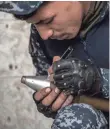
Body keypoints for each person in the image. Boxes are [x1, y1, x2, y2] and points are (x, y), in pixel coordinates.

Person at [0, 1, 109, 129]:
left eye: (48, 21)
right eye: (35, 24)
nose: (44, 35)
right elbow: (46, 78)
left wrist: (98, 80)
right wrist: (52, 102)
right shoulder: (40, 37)